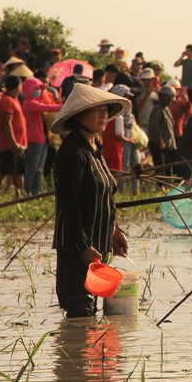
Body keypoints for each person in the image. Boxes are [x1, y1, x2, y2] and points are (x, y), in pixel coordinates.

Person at [50, 84, 130, 317]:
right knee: (79, 309)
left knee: (90, 311)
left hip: (98, 246)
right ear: (79, 115)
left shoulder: (95, 149)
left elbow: (106, 197)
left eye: (106, 110)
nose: (104, 115)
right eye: (97, 110)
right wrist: (83, 246)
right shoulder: (71, 152)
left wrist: (114, 230)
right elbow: (68, 206)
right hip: (78, 248)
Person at [21, 76, 63, 195]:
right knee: (32, 169)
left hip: (43, 138)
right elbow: (47, 107)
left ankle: (35, 193)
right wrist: (64, 106)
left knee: (39, 169)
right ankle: (27, 193)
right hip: (34, 139)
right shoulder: (29, 103)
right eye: (36, 89)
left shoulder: (35, 102)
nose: (38, 91)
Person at [0, 75, 27, 195]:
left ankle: (20, 196)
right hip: (10, 144)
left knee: (19, 171)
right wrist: (13, 143)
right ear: (17, 86)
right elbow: (7, 123)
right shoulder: (7, 100)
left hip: (19, 144)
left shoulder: (15, 99)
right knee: (4, 171)